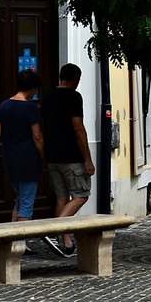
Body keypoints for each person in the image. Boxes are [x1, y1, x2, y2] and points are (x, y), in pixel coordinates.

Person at [39, 64, 95, 255]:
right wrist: (87, 159)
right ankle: (54, 229)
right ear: (75, 78)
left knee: (62, 197)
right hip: (71, 155)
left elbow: (43, 128)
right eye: (78, 79)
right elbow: (78, 128)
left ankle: (66, 244)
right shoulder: (73, 97)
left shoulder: (47, 97)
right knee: (81, 195)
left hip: (52, 155)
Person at [0, 70, 46, 227]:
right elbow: (37, 137)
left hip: (10, 159)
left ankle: (11, 238)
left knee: (20, 199)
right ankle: (20, 242)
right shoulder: (30, 109)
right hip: (28, 159)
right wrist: (44, 158)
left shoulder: (4, 106)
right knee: (27, 204)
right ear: (32, 87)